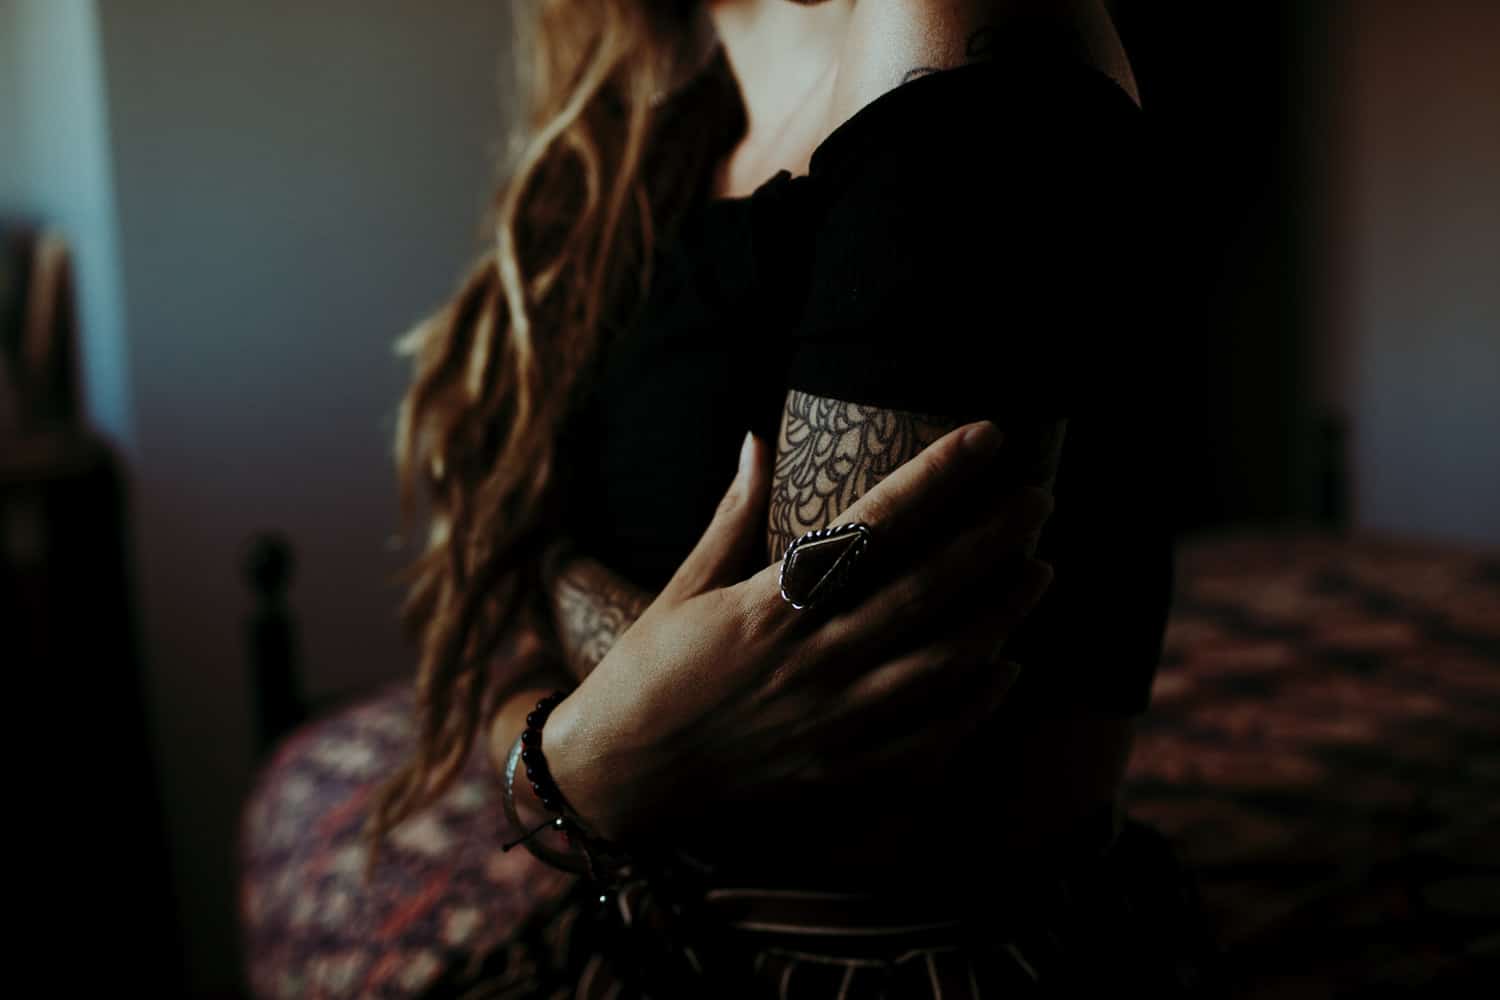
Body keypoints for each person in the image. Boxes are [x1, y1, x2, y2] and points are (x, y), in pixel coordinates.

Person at [367, 1, 1209, 995]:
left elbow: (835, 779)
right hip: (658, 925)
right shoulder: (631, 146)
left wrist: (565, 720)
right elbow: (513, 642)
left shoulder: (953, 26)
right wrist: (581, 759)